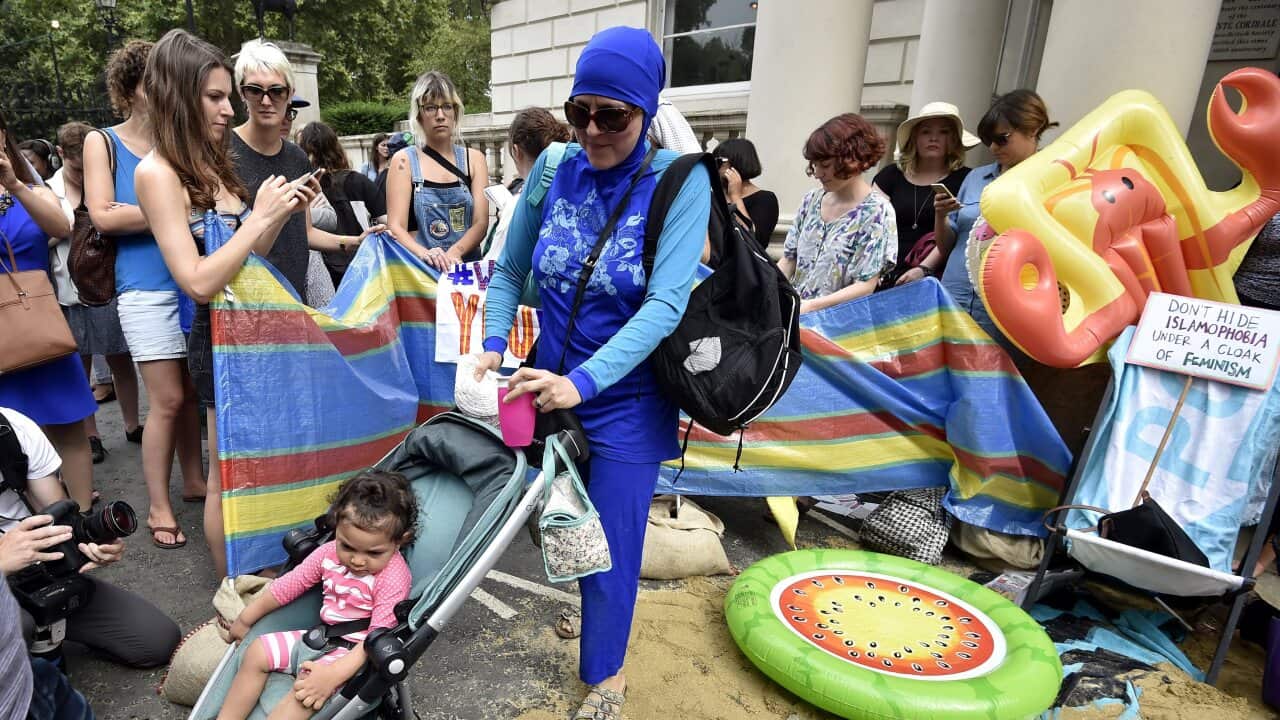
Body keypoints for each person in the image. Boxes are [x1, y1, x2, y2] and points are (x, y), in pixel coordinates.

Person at [476, 26, 711, 720]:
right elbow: (512, 267)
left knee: (610, 542)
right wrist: (494, 340)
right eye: (581, 110)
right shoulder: (552, 166)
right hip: (543, 385)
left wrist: (583, 383)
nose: (593, 130)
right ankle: (592, 609)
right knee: (560, 521)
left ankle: (606, 677)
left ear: (646, 112)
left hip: (625, 400)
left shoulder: (678, 180)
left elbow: (666, 302)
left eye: (614, 115)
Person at [134, 29, 325, 579]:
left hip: (265, 328)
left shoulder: (214, 162)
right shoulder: (156, 173)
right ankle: (230, 599)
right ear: (178, 95)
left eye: (226, 96)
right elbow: (197, 281)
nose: (229, 107)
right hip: (220, 338)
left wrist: (278, 214)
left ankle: (264, 577)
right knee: (229, 476)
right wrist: (259, 219)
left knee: (269, 464)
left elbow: (250, 261)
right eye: (216, 97)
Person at [85, 39, 205, 551]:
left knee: (193, 394)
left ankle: (195, 480)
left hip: (191, 282)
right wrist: (170, 209)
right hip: (143, 291)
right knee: (168, 399)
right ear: (132, 89)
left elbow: (205, 200)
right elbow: (102, 217)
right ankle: (158, 502)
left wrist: (166, 208)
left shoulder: (179, 143)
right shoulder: (103, 142)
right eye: (151, 83)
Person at [217, 470, 416, 719]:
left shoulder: (393, 577)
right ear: (337, 529)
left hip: (357, 656)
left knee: (306, 692)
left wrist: (331, 677)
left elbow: (375, 640)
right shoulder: (329, 553)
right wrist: (246, 618)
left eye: (373, 553)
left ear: (400, 541)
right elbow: (289, 585)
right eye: (347, 545)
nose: (356, 560)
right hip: (322, 638)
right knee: (256, 650)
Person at [0, 406, 181, 671]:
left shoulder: (11, 428)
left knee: (156, 640)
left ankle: (45, 634)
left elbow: (57, 516)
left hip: (34, 574)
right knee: (17, 625)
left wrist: (91, 542)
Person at [0, 110, 98, 513]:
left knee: (69, 424)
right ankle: (38, 527)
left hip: (40, 323)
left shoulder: (29, 189)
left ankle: (83, 519)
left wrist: (12, 184)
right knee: (12, 431)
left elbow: (62, 227)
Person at [230, 40, 371, 305]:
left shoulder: (296, 157)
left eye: (276, 91)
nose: (266, 100)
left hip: (295, 300)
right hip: (245, 302)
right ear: (241, 93)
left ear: (289, 93)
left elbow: (304, 232)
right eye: (255, 90)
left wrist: (355, 241)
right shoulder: (224, 153)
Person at [47, 121, 143, 466]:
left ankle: (133, 424)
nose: (82, 172)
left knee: (119, 355)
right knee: (79, 364)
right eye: (76, 166)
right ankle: (91, 436)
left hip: (105, 283)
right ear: (61, 156)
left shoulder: (104, 181)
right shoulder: (49, 190)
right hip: (67, 289)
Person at [934, 89, 1056, 344]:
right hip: (953, 296)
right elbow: (947, 246)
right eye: (989, 139)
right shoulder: (976, 177)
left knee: (989, 379)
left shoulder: (1051, 182)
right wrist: (941, 216)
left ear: (1032, 130)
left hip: (1003, 309)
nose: (992, 148)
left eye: (1002, 139)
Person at [779, 113, 897, 314]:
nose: (817, 173)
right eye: (815, 165)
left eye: (825, 165)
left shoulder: (877, 212)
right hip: (793, 322)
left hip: (838, 330)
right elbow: (789, 260)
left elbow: (865, 285)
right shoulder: (811, 200)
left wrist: (810, 307)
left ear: (854, 158)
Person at [385, 70, 489, 271]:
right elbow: (396, 226)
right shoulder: (404, 161)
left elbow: (481, 222)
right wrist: (426, 253)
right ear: (419, 114)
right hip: (421, 273)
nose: (440, 115)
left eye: (447, 107)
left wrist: (454, 253)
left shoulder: (475, 159)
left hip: (465, 273)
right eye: (431, 108)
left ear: (456, 112)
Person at [872, 102, 976, 286]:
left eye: (943, 132)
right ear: (914, 138)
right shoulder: (890, 176)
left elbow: (960, 231)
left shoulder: (967, 179)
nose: (934, 138)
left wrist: (924, 268)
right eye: (926, 132)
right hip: (882, 272)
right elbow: (873, 224)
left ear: (954, 139)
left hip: (933, 278)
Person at [297, 120, 387, 287]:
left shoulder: (305, 188)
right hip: (360, 267)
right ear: (336, 147)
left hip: (322, 274)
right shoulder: (359, 181)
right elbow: (386, 222)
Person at [483, 107, 571, 261]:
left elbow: (493, 266)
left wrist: (505, 221)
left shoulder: (518, 206)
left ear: (516, 151)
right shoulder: (571, 191)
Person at [712, 137, 778, 251]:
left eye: (719, 162)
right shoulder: (713, 197)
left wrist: (735, 197)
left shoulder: (765, 199)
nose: (714, 167)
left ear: (736, 163)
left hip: (741, 266)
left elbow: (754, 242)